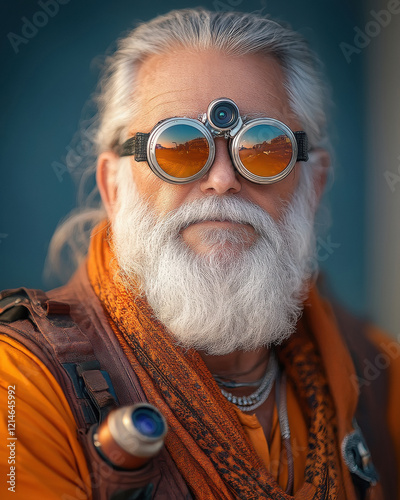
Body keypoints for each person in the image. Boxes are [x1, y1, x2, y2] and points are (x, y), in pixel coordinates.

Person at [0, 8, 399, 500]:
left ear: (313, 186)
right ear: (113, 186)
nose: (223, 179)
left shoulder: (377, 373)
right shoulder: (19, 386)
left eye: (264, 148)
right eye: (180, 147)